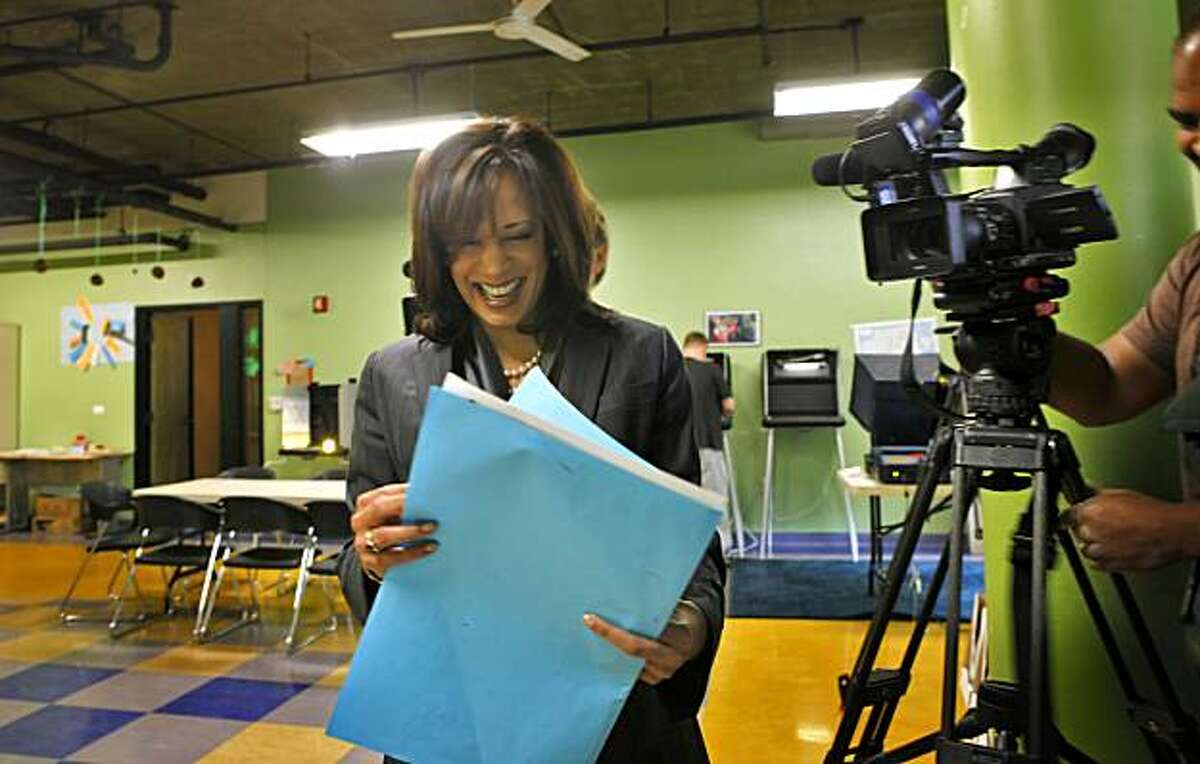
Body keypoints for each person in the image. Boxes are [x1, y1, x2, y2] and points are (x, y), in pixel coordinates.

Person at [337, 117, 726, 763]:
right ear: (437, 251)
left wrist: (693, 623)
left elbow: (688, 541)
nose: (493, 266)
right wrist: (374, 557)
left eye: (518, 235)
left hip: (611, 708)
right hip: (454, 712)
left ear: (556, 239)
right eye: (465, 243)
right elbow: (353, 554)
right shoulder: (394, 373)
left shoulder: (640, 353)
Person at [1050, 18, 1200, 663]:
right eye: (1185, 116)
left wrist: (1182, 531)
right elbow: (1108, 387)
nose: (1188, 140)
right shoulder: (1196, 267)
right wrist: (1017, 331)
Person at [680, 332, 735, 546]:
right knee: (715, 498)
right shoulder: (712, 369)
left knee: (685, 499)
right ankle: (722, 547)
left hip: (679, 448)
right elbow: (729, 407)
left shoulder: (672, 368)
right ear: (703, 348)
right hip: (707, 442)